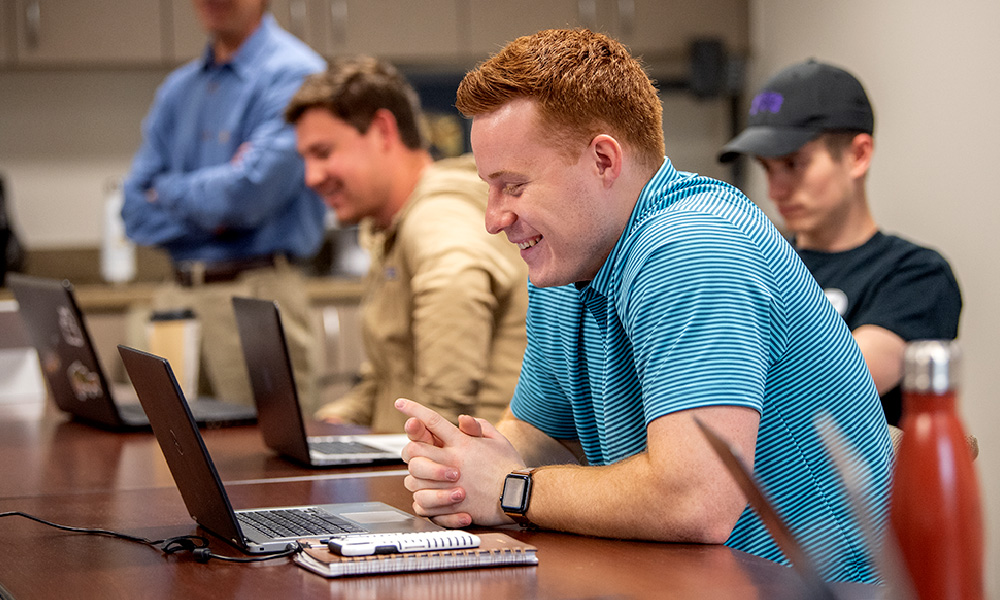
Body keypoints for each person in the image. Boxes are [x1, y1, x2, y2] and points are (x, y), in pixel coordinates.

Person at [395, 29, 893, 584]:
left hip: (811, 588)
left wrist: (512, 489)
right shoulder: (567, 263)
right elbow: (544, 436)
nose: (493, 218)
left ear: (604, 161)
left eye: (513, 185)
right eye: (489, 187)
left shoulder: (692, 248)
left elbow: (695, 502)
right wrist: (465, 467)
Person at [284, 56, 529, 432]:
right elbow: (389, 380)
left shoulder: (435, 215)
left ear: (383, 130)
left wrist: (429, 437)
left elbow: (456, 284)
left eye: (323, 153)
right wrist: (335, 421)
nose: (311, 177)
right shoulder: (396, 226)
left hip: (465, 476)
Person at [718, 59, 962, 426]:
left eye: (793, 164)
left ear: (858, 155)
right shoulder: (754, 262)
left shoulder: (916, 275)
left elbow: (833, 387)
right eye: (766, 168)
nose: (774, 190)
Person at [121, 0, 327, 407]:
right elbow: (134, 211)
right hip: (175, 298)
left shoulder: (295, 74)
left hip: (254, 295)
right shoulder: (178, 90)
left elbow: (244, 198)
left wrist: (166, 191)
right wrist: (215, 210)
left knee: (266, 457)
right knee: (171, 461)